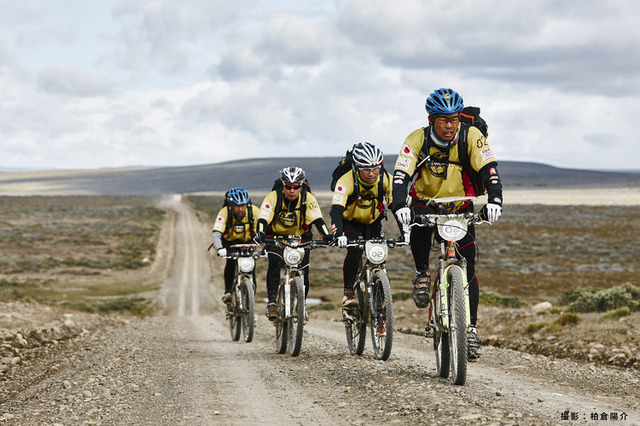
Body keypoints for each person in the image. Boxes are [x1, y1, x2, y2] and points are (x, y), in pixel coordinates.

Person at [391, 88, 503, 360]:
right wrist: (399, 206)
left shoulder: (470, 136)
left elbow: (489, 170)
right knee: (418, 227)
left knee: (469, 267)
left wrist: (495, 200)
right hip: (425, 201)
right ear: (431, 120)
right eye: (443, 119)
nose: (450, 125)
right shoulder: (416, 138)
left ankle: (471, 330)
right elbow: (400, 176)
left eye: (454, 119)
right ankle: (421, 273)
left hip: (460, 203)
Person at [254, 166, 331, 321]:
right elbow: (263, 218)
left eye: (296, 187)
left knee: (304, 272)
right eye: (288, 187)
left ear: (301, 185)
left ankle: (302, 306)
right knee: (274, 263)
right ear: (283, 185)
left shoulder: (308, 198)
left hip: (300, 237)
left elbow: (318, 220)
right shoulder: (273, 197)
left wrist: (327, 236)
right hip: (276, 237)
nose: (291, 191)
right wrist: (261, 233)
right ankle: (272, 302)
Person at [330, 142, 393, 308]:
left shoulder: (385, 178)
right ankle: (348, 293)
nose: (371, 173)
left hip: (373, 223)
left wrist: (406, 231)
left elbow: (396, 204)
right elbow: (336, 210)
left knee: (379, 256)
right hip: (350, 223)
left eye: (375, 168)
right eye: (366, 169)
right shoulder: (346, 180)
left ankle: (381, 300)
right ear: (357, 167)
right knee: (355, 250)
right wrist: (339, 235)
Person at [211, 187, 261, 305]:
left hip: (248, 241)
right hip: (229, 242)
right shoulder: (224, 212)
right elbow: (217, 233)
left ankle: (250, 300)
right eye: (236, 206)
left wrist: (265, 243)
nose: (240, 209)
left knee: (251, 267)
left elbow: (262, 230)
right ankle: (228, 292)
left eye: (243, 205)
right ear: (230, 205)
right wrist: (220, 248)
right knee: (231, 263)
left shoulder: (254, 211)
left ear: (247, 204)